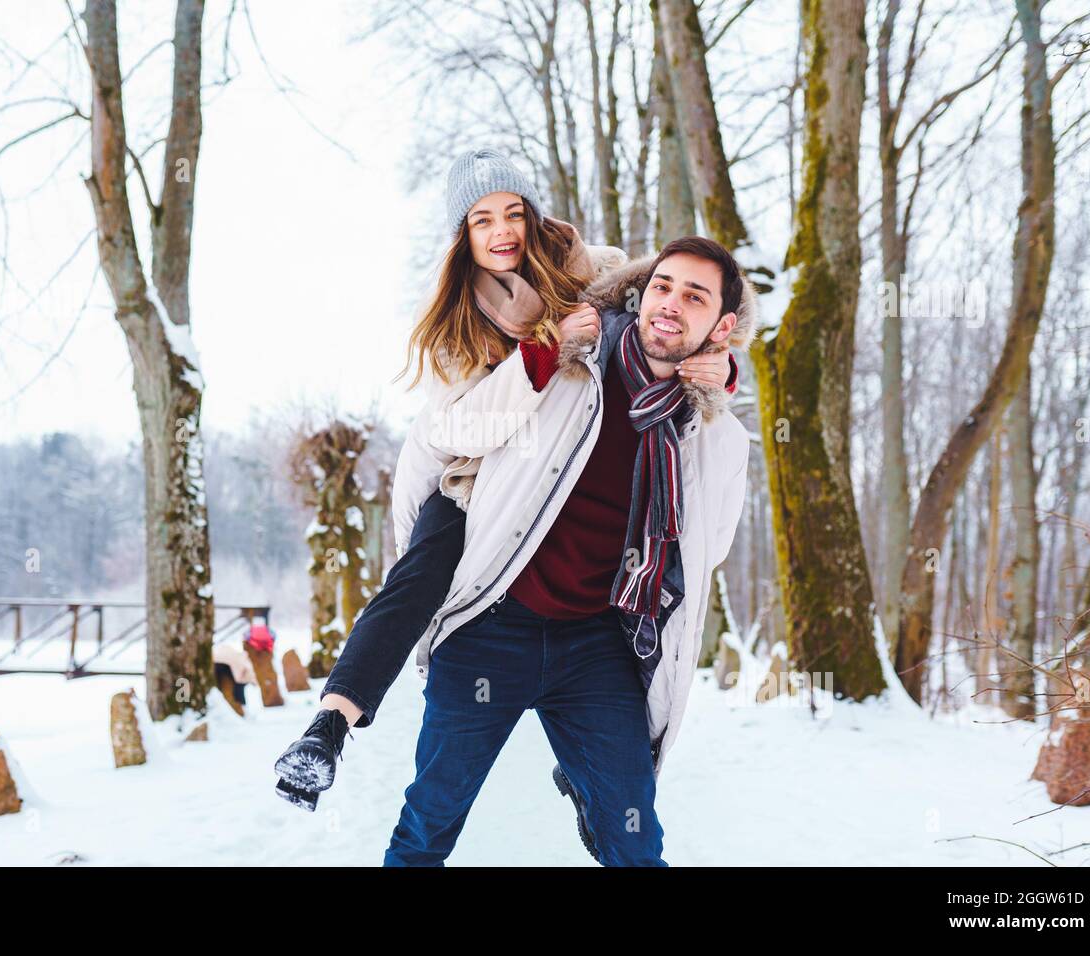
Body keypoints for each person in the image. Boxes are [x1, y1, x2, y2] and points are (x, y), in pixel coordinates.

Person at [272, 149, 740, 817]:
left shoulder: (593, 273)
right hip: (474, 483)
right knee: (413, 582)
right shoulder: (454, 326)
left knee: (618, 595)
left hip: (560, 484)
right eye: (483, 219)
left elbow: (671, 318)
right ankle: (329, 727)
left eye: (514, 213)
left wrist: (721, 377)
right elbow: (461, 432)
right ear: (462, 234)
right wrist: (543, 354)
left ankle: (598, 775)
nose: (502, 233)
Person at [382, 235, 754, 866]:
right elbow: (439, 441)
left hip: (598, 646)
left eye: (694, 297)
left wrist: (719, 391)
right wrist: (428, 577)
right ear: (640, 292)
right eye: (662, 286)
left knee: (634, 839)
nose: (670, 304)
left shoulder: (716, 435)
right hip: (491, 628)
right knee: (429, 822)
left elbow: (705, 549)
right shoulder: (568, 365)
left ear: (721, 326)